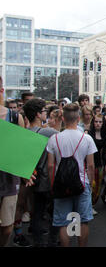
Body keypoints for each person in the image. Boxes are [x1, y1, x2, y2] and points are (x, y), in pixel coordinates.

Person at [46, 103, 97, 247]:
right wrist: (90, 183)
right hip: (82, 183)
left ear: (63, 118)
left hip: (61, 184)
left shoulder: (54, 139)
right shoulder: (86, 139)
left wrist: (53, 184)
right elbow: (91, 165)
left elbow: (50, 165)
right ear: (78, 118)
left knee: (63, 221)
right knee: (83, 220)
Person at [23, 98, 59, 247]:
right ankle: (52, 240)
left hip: (32, 177)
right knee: (55, 212)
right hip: (47, 178)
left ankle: (37, 241)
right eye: (44, 111)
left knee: (37, 211)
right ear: (38, 114)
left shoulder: (24, 132)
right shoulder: (48, 132)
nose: (46, 114)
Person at [0, 76, 26, 247]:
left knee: (7, 227)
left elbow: (22, 150)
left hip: (9, 177)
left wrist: (26, 171)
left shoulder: (14, 116)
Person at [87, 114, 106, 213]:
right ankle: (87, 205)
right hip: (90, 164)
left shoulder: (105, 135)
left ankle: (92, 204)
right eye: (96, 122)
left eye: (100, 122)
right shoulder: (88, 134)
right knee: (90, 185)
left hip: (100, 164)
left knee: (98, 186)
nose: (98, 124)